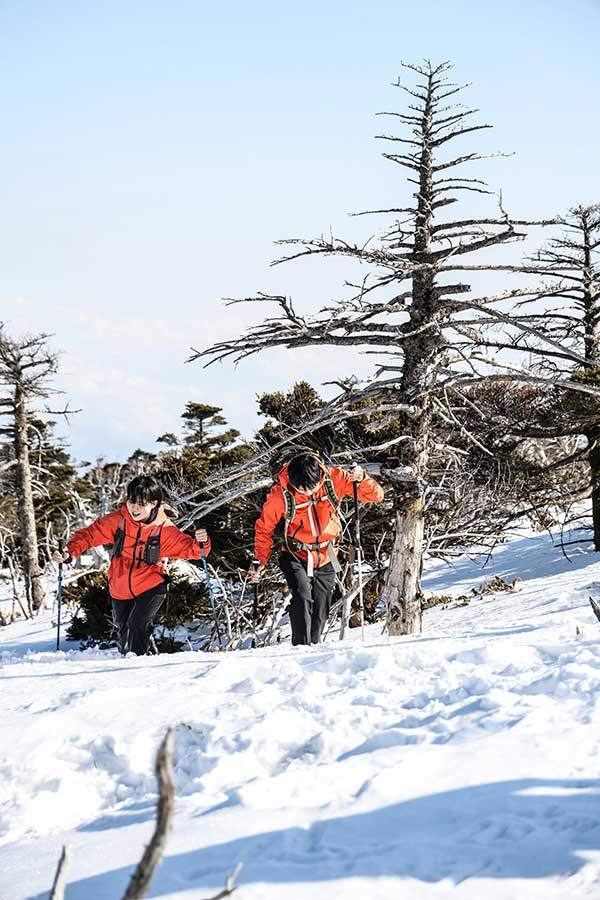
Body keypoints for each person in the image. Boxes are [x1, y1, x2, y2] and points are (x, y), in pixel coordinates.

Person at [53, 474, 211, 655]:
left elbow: (195, 551)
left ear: (155, 504)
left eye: (141, 504)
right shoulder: (119, 520)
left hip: (152, 584)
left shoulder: (164, 529)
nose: (135, 508)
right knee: (123, 631)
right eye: (131, 501)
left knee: (137, 624)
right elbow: (89, 535)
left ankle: (138, 666)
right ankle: (132, 659)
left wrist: (202, 542)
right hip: (120, 585)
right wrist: (69, 552)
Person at [250, 452, 384, 645]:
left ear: (320, 476)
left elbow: (377, 495)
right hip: (295, 552)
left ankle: (314, 646)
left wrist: (362, 479)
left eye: (311, 488)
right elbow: (264, 529)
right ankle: (301, 648)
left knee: (322, 607)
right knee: (302, 596)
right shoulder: (280, 495)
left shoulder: (335, 478)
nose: (306, 493)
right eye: (301, 489)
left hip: (328, 552)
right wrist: (260, 560)